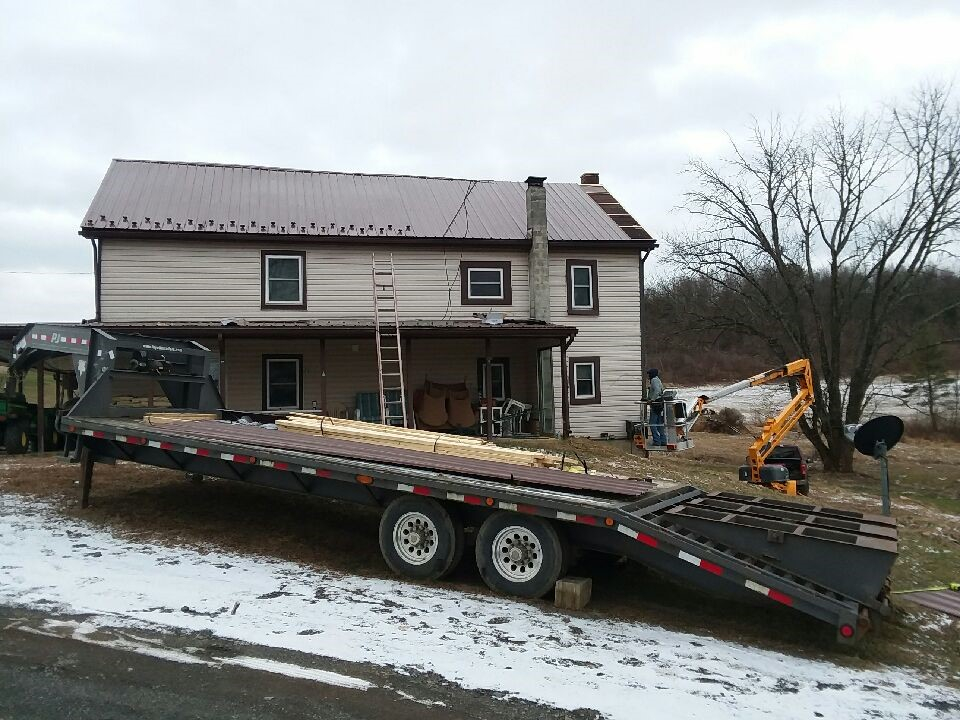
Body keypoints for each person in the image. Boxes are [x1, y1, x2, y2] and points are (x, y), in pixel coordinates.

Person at [647, 368, 667, 446]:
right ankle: (663, 440)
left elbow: (657, 390)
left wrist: (652, 399)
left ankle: (657, 441)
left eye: (649, 374)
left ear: (652, 374)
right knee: (659, 423)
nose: (648, 376)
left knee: (652, 423)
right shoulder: (658, 380)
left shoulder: (654, 380)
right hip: (660, 403)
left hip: (656, 404)